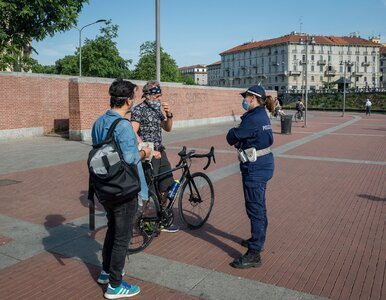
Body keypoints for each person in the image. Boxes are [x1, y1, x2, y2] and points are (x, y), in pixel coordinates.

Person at [92, 78, 152, 299]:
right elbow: (131, 160)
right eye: (133, 98)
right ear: (128, 100)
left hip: (105, 187)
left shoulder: (99, 122)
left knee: (112, 230)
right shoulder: (124, 125)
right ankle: (115, 286)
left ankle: (106, 272)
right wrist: (146, 152)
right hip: (124, 188)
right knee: (122, 236)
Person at [226, 85, 275, 269]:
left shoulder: (253, 119)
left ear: (253, 99)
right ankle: (257, 239)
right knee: (259, 206)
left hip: (255, 168)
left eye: (245, 97)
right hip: (263, 164)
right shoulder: (262, 115)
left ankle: (254, 253)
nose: (244, 100)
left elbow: (232, 136)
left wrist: (235, 134)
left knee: (255, 208)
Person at [131, 80, 179, 233]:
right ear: (148, 96)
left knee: (166, 185)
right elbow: (133, 132)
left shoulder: (158, 109)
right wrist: (147, 149)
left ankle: (162, 218)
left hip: (161, 152)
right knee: (148, 190)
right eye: (157, 96)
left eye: (160, 96)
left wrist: (169, 115)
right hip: (148, 154)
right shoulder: (139, 110)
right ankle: (143, 223)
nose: (160, 99)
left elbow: (168, 128)